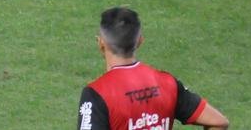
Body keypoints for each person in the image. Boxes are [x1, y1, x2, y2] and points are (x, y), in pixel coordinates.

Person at [78, 7, 230, 129]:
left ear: (101, 43)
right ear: (140, 41)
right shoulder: (167, 83)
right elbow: (217, 122)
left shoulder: (97, 94)